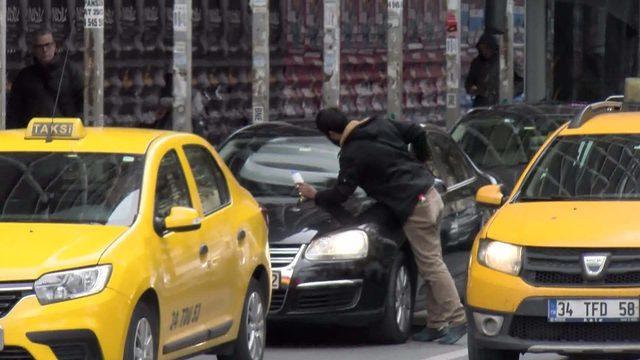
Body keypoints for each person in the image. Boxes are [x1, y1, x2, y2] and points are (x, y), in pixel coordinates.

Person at [297, 108, 467, 345]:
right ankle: (437, 323)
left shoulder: (352, 153)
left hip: (415, 204)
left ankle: (457, 319)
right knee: (429, 261)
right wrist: (422, 160)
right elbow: (417, 132)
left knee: (431, 264)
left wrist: (315, 194)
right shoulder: (379, 123)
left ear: (332, 134)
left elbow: (341, 193)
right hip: (429, 194)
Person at [7, 28, 83, 129]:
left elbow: (83, 104)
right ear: (34, 49)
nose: (44, 50)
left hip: (67, 136)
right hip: (32, 138)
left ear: (55, 46)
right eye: (40, 46)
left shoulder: (71, 70)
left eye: (48, 45)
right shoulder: (24, 76)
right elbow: (14, 112)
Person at [465, 33, 499, 107]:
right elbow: (469, 81)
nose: (485, 51)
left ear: (493, 48)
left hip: (499, 102)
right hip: (481, 103)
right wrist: (471, 89)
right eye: (482, 49)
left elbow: (519, 81)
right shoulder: (477, 63)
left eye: (487, 48)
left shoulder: (501, 62)